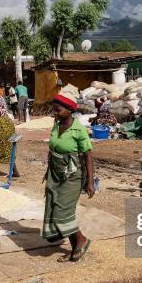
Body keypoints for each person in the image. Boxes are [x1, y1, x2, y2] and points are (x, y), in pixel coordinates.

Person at [43, 91, 95, 262]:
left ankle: (81, 239)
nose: (55, 113)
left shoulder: (78, 129)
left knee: (62, 210)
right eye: (54, 110)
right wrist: (48, 172)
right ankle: (75, 247)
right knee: (53, 204)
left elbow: (88, 155)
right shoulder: (56, 126)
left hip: (73, 176)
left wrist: (90, 182)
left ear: (69, 110)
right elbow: (54, 150)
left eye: (58, 110)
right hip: (55, 173)